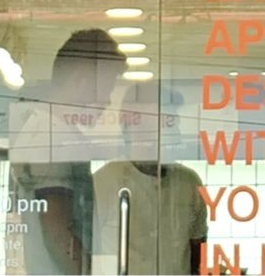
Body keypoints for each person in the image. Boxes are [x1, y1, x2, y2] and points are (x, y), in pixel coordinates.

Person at [13, 28, 126, 275]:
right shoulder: (54, 136)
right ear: (80, 80)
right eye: (106, 88)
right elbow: (57, 232)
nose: (108, 101)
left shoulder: (46, 129)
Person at [91, 81, 208, 275]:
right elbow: (88, 255)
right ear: (132, 127)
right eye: (164, 122)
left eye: (172, 122)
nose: (173, 130)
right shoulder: (103, 182)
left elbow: (198, 251)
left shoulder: (189, 182)